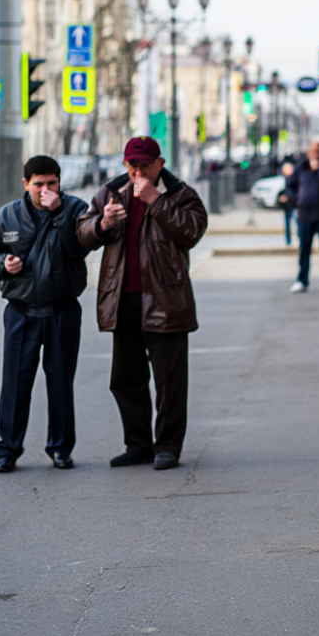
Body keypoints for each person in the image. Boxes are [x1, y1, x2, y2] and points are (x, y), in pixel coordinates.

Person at [77, 137, 208, 471]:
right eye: (132, 166)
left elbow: (192, 231)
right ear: (125, 165)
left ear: (159, 164)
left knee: (170, 381)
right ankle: (137, 445)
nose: (138, 173)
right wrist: (102, 224)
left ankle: (167, 446)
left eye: (145, 166)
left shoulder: (181, 195)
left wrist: (156, 201)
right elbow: (81, 232)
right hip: (122, 300)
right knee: (125, 379)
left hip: (166, 299)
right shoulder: (109, 193)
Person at [0, 155, 90, 473]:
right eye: (38, 184)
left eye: (51, 183)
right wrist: (3, 265)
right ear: (25, 184)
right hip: (21, 311)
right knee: (15, 383)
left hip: (62, 309)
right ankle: (8, 449)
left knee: (60, 382)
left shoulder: (75, 209)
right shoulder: (8, 215)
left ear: (59, 182)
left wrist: (57, 213)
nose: (45, 190)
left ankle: (60, 448)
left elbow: (79, 248)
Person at [286, 141, 319, 293]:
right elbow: (290, 185)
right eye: (313, 151)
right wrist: (296, 199)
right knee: (304, 250)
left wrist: (318, 170)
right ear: (309, 153)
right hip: (305, 216)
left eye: (318, 152)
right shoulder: (301, 168)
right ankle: (302, 280)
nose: (315, 155)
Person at [277, 160, 297, 247]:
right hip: (287, 206)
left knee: (297, 223)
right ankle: (288, 241)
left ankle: (300, 241)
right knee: (288, 224)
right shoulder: (285, 179)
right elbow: (282, 191)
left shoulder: (295, 179)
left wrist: (287, 197)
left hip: (294, 205)